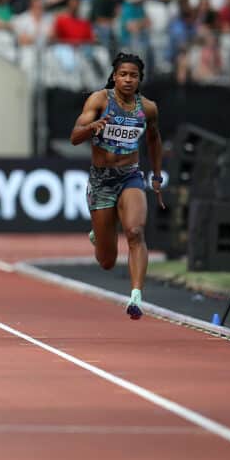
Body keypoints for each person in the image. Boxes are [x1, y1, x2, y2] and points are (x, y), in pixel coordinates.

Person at [70, 52, 163, 320]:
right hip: (101, 180)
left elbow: (154, 140)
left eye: (133, 75)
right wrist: (92, 127)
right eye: (123, 74)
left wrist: (156, 176)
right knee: (107, 261)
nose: (127, 79)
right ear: (114, 76)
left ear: (139, 79)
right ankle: (98, 236)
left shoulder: (148, 108)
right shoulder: (99, 100)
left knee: (135, 232)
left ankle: (136, 296)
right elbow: (75, 136)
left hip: (130, 175)